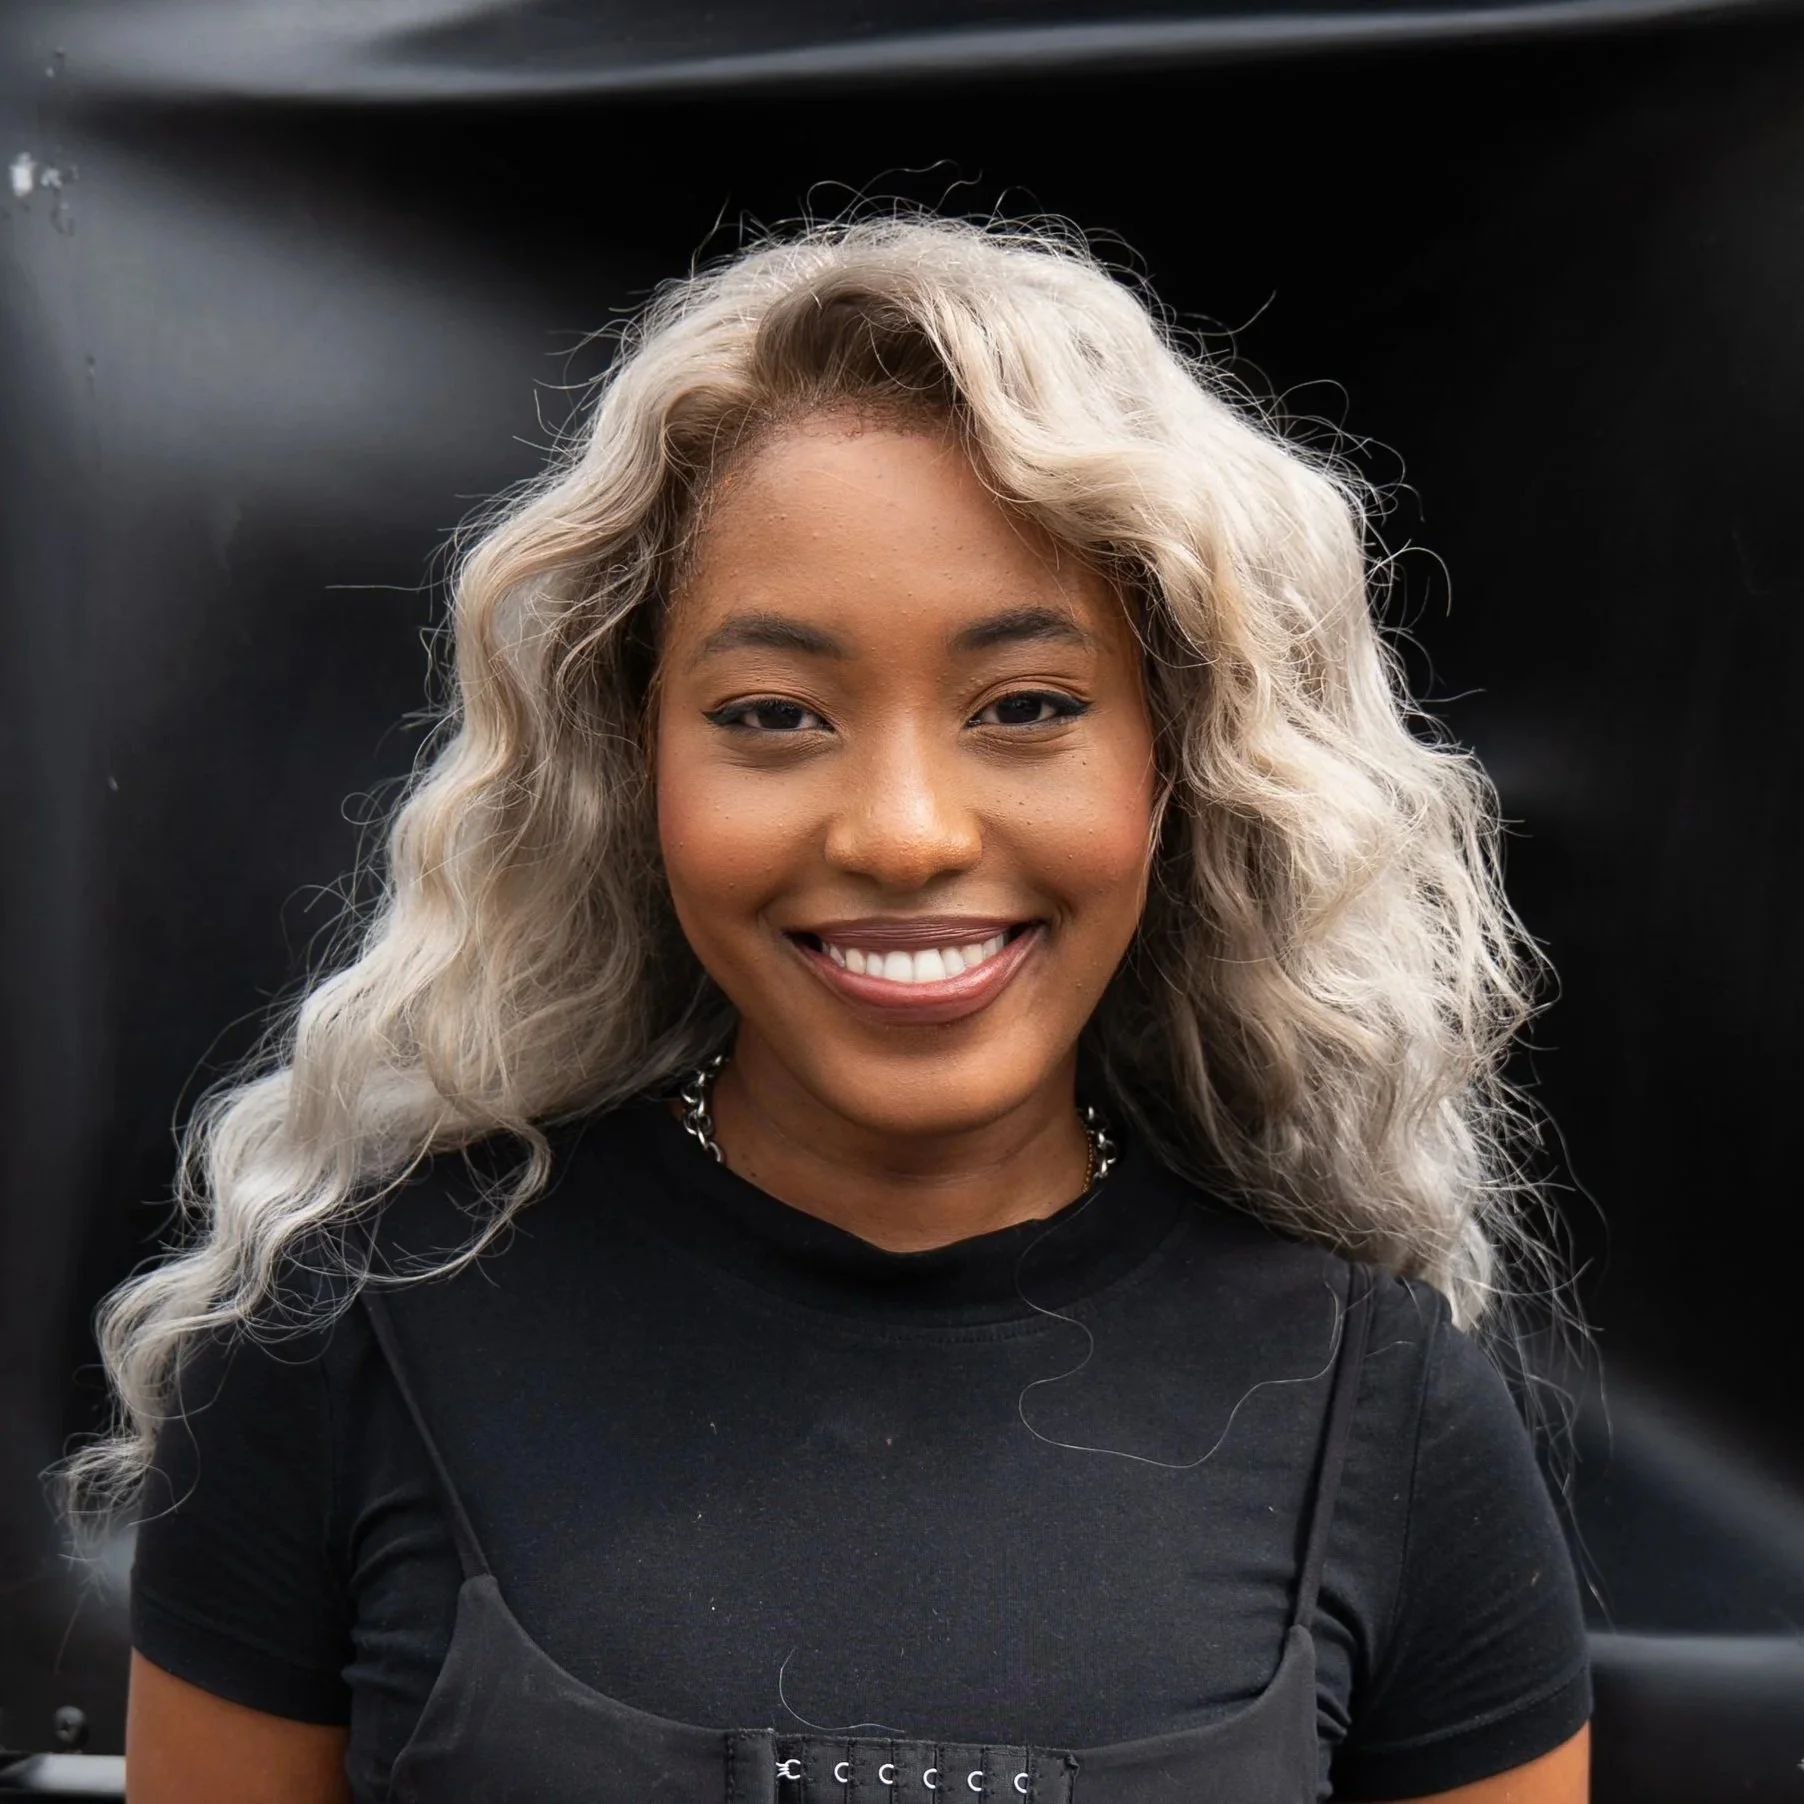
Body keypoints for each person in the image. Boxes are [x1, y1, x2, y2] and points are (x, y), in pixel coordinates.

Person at [77, 214, 1591, 1803]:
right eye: (775, 715)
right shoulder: (346, 1345)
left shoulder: (1382, 1413)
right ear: (630, 763)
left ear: (1181, 763)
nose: (903, 833)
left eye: (1026, 706)